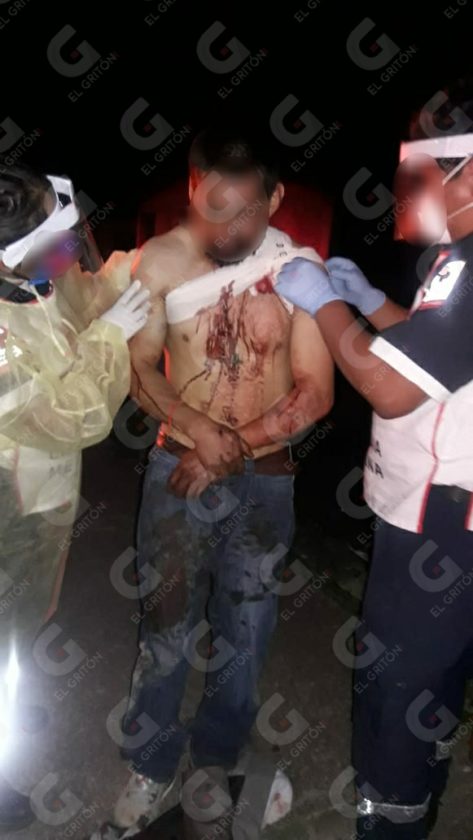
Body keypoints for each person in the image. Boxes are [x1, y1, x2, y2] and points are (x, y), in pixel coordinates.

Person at [111, 125, 334, 838]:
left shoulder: (298, 269)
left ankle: (215, 757)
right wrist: (195, 429)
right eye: (215, 210)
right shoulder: (160, 262)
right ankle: (149, 764)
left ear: (276, 198)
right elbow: (137, 368)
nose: (230, 231)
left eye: (246, 213)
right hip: (177, 471)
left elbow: (315, 391)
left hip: (264, 481)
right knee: (166, 626)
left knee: (247, 630)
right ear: (192, 189)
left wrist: (225, 448)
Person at [275, 80, 473, 840]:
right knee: (435, 679)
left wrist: (322, 305)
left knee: (398, 683)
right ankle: (418, 797)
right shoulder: (452, 261)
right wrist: (367, 306)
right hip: (441, 514)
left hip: (440, 525)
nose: (403, 192)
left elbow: (389, 389)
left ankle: (389, 819)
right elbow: (434, 362)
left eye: (418, 174)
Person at [0, 163, 150, 831]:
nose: (66, 259)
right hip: (10, 505)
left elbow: (76, 299)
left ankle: (10, 690)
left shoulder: (24, 284)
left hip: (39, 499)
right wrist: (112, 335)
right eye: (52, 247)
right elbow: (74, 416)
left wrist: (128, 270)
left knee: (23, 621)